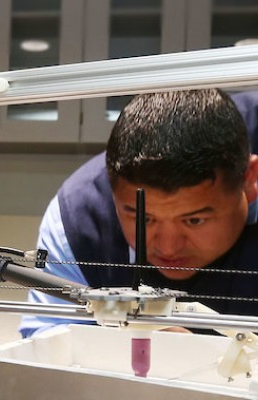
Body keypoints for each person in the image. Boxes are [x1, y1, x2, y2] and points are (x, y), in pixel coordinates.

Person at [20, 89, 258, 338]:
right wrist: (118, 350)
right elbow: (47, 336)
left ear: (249, 180)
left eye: (194, 220)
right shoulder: (78, 217)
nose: (168, 247)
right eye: (144, 218)